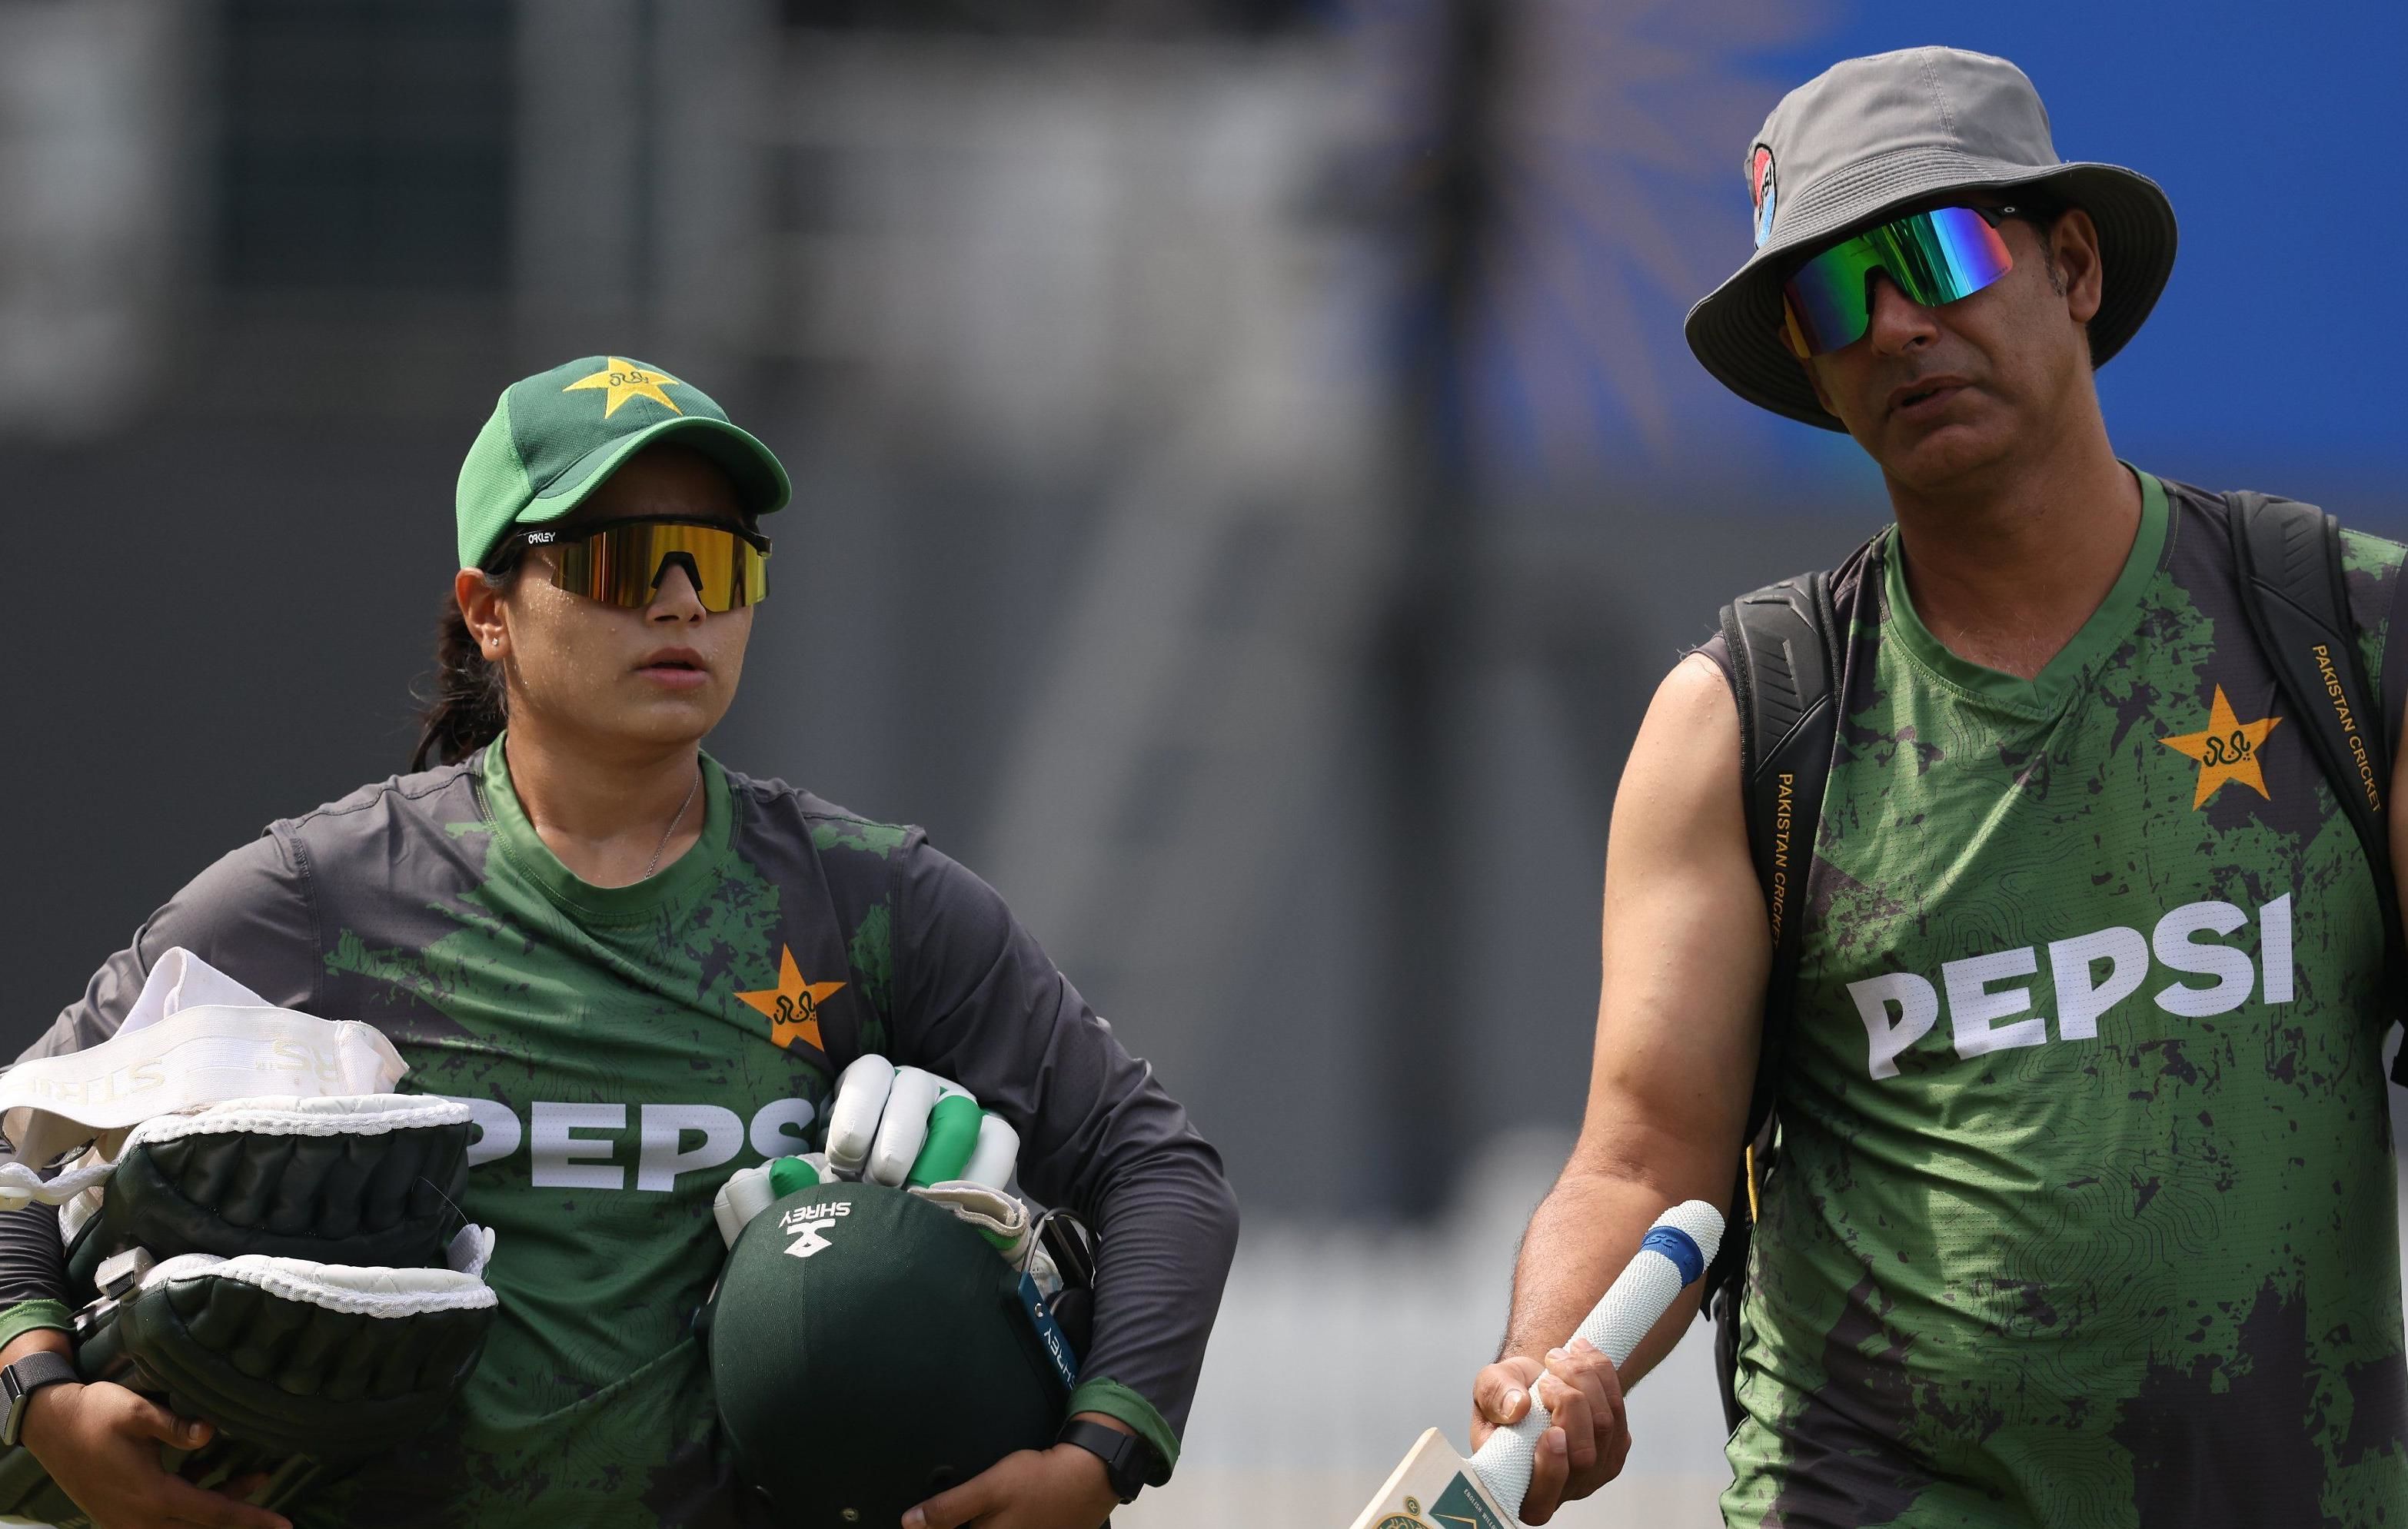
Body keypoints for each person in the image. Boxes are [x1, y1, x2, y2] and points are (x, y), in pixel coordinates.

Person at [0, 354, 1239, 1529]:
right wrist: (39, 1388)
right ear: (488, 611)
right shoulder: (322, 896)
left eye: (721, 561)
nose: (683, 598)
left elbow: (1158, 1169)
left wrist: (1100, 1452)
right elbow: (15, 1140)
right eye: (625, 559)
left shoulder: (868, 901)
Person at [1463, 46, 2408, 1527]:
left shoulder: (2345, 633)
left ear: (2074, 266)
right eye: (1835, 298)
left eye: (1940, 254)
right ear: (1813, 364)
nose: (1897, 323)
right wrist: (1546, 1365)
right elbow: (1643, 1153)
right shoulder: (1746, 717)